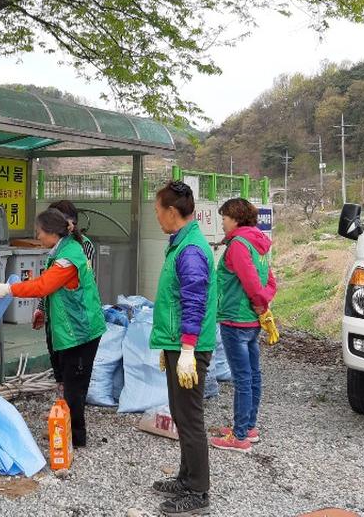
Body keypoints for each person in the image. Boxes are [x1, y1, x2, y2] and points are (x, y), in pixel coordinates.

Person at [0, 208, 106, 448]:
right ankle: (64, 428)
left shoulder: (68, 257)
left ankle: (75, 438)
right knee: (66, 380)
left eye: (39, 232)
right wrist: (43, 310)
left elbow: (44, 285)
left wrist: (10, 289)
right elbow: (55, 290)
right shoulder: (62, 250)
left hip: (80, 332)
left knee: (75, 387)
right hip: (69, 329)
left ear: (53, 233)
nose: (38, 237)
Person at [148, 180, 217, 517]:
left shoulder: (190, 250)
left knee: (190, 419)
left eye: (158, 211)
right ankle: (186, 477)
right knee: (180, 413)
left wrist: (187, 350)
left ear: (172, 212)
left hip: (189, 346)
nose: (157, 217)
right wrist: (170, 345)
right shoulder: (181, 243)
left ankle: (198, 491)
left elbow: (194, 302)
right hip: (179, 343)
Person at [209, 197, 277, 454]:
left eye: (224, 218)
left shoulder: (238, 245)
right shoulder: (257, 243)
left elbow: (249, 281)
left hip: (235, 319)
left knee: (242, 377)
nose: (223, 224)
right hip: (251, 320)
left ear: (235, 218)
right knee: (253, 373)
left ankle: (238, 437)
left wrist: (259, 303)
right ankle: (248, 427)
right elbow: (269, 279)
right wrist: (263, 304)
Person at [33, 200, 96, 395]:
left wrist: (9, 289)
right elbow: (48, 282)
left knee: (72, 365)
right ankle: (63, 400)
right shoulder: (57, 248)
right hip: (55, 314)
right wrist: (42, 308)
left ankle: (70, 405)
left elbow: (54, 283)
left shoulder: (80, 247)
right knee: (57, 358)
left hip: (73, 318)